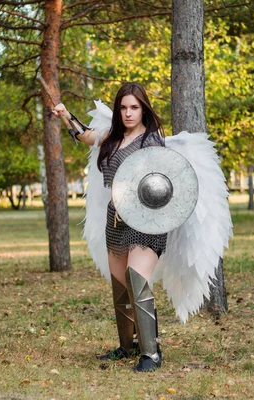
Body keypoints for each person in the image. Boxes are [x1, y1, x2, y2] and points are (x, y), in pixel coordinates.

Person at [52, 82, 165, 372]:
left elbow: (163, 183)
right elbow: (86, 135)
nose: (128, 113)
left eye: (134, 107)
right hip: (115, 221)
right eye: (124, 107)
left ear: (143, 109)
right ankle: (126, 347)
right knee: (120, 288)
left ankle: (150, 354)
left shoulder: (152, 141)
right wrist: (65, 114)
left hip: (145, 222)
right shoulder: (113, 138)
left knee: (137, 281)